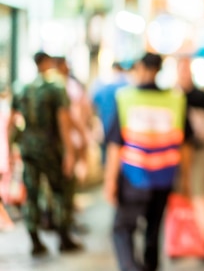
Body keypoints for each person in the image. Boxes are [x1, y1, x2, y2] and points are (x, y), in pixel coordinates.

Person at [103, 52, 193, 271]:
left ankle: (131, 267)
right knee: (154, 229)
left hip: (134, 177)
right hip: (164, 177)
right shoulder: (176, 99)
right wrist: (185, 179)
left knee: (123, 229)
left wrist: (110, 180)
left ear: (142, 69)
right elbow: (186, 145)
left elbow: (116, 144)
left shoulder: (126, 98)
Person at [9, 51, 83, 256]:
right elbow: (63, 122)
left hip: (28, 147)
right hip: (50, 147)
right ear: (47, 62)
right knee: (60, 191)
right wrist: (69, 151)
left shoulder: (21, 87)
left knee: (31, 194)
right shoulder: (56, 88)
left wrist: (7, 148)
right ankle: (63, 237)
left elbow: (11, 121)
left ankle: (35, 239)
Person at [174, 56, 204, 261]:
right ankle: (178, 243)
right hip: (176, 154)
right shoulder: (172, 95)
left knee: (201, 198)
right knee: (178, 198)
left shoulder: (200, 96)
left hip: (197, 152)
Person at [91, 61, 130, 163]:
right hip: (123, 130)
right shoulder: (128, 84)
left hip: (105, 126)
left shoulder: (100, 83)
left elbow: (92, 105)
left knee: (106, 157)